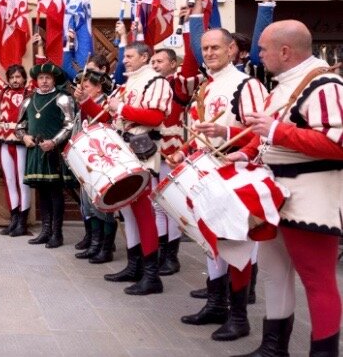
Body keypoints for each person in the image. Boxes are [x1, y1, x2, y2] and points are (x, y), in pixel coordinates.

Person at [227, 20, 343, 357]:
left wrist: (277, 132)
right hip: (274, 195)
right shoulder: (282, 86)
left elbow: (338, 143)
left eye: (262, 49)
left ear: (285, 51)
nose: (258, 55)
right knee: (273, 271)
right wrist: (243, 150)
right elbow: (267, 138)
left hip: (310, 198)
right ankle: (273, 347)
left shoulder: (325, 85)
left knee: (316, 279)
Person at [168, 28, 267, 342]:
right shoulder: (206, 86)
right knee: (213, 240)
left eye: (215, 48)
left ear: (232, 50)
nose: (209, 53)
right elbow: (201, 134)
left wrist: (231, 142)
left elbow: (261, 133)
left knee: (236, 244)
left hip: (237, 169)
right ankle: (215, 304)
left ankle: (239, 318)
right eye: (205, 48)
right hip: (208, 169)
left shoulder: (247, 85)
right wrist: (183, 152)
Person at [78, 41, 170, 295]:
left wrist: (123, 108)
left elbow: (155, 117)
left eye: (129, 56)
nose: (125, 60)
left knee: (143, 212)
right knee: (128, 212)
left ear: (144, 56)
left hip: (142, 151)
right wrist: (86, 101)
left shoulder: (156, 82)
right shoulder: (127, 83)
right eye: (125, 56)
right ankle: (134, 265)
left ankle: (151, 275)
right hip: (123, 151)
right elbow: (107, 117)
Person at [15, 62, 74, 248]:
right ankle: (45, 231)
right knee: (42, 193)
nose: (44, 81)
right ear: (36, 80)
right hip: (35, 151)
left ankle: (57, 234)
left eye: (48, 78)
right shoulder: (28, 100)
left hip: (55, 152)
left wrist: (54, 142)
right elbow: (19, 126)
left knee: (56, 193)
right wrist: (24, 137)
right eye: (41, 78)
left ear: (53, 79)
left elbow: (70, 124)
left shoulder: (63, 98)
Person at [71, 66, 119, 263]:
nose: (83, 89)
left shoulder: (106, 104)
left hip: (102, 161)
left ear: (99, 88)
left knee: (103, 207)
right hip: (86, 161)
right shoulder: (83, 105)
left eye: (87, 86)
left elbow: (105, 123)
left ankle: (105, 248)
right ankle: (94, 243)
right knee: (88, 206)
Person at [0, 39, 34, 237]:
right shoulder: (3, 91)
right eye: (12, 77)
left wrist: (39, 48)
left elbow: (39, 71)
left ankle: (23, 221)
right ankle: (13, 218)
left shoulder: (29, 92)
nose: (15, 80)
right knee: (9, 179)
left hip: (22, 141)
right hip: (5, 140)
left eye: (18, 77)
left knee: (23, 180)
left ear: (24, 79)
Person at [148, 47, 186, 276]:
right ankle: (162, 252)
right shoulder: (151, 85)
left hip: (171, 152)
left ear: (173, 64)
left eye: (160, 61)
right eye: (153, 61)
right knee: (156, 204)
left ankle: (172, 256)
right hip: (151, 150)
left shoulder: (177, 85)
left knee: (169, 204)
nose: (155, 65)